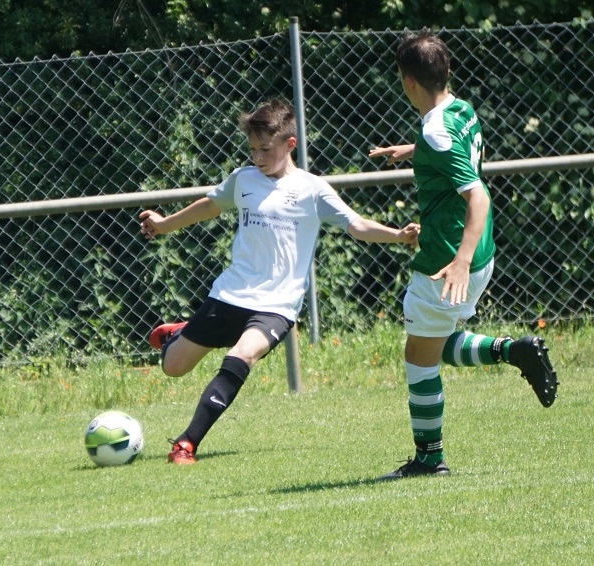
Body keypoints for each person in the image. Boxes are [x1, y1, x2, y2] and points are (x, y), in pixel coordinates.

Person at [138, 98, 421, 465]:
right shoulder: (243, 179)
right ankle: (179, 334)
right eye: (253, 149)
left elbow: (357, 225)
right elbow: (210, 205)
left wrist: (397, 235)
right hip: (231, 293)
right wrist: (164, 225)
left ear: (290, 144)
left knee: (242, 355)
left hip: (277, 305)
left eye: (265, 149)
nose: (258, 157)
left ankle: (187, 443)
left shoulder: (312, 189)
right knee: (173, 367)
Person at [368, 30, 558, 480]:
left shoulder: (435, 130)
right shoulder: (460, 109)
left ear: (408, 82)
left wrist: (460, 260)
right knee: (434, 343)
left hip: (450, 257)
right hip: (480, 250)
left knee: (419, 357)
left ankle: (429, 458)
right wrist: (413, 151)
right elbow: (456, 149)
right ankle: (515, 350)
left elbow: (478, 196)